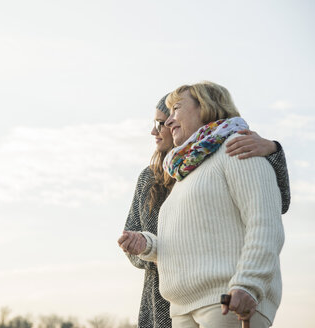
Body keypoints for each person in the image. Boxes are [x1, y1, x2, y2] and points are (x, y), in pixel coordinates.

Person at [120, 82, 285, 328]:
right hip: (180, 307)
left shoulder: (240, 149)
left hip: (224, 300)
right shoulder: (184, 171)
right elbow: (190, 239)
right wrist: (148, 245)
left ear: (205, 108)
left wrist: (248, 284)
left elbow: (266, 221)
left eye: (175, 110)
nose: (165, 124)